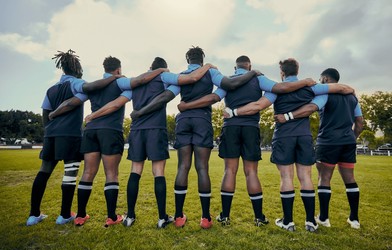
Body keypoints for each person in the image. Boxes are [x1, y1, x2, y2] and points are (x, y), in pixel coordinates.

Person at [130, 46, 265, 229]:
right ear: (202, 60)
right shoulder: (211, 72)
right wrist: (252, 72)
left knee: (183, 167)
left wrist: (140, 111)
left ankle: (178, 217)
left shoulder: (181, 76)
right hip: (202, 120)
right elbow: (226, 87)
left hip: (183, 122)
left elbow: (165, 98)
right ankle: (205, 218)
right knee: (202, 168)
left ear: (188, 60)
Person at [176, 55, 317, 227]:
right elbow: (280, 88)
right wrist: (305, 83)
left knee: (230, 171)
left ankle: (225, 217)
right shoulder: (258, 78)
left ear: (236, 68)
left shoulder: (227, 81)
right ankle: (259, 217)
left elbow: (215, 97)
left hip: (231, 128)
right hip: (251, 128)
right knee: (251, 172)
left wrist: (188, 105)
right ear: (250, 67)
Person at [83, 57, 216, 228]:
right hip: (156, 129)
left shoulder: (135, 82)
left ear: (150, 67)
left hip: (137, 130)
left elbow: (117, 103)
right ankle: (162, 218)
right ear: (164, 68)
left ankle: (129, 216)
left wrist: (93, 115)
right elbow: (187, 81)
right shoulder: (163, 76)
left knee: (135, 170)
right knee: (158, 171)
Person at [227, 58, 355, 232]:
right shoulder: (312, 87)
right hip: (304, 136)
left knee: (286, 177)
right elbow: (341, 88)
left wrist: (234, 112)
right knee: (306, 177)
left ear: (282, 73)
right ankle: (310, 222)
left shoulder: (275, 90)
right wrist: (351, 90)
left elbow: (257, 106)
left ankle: (288, 222)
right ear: (297, 70)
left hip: (284, 137)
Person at [49, 56, 170, 227]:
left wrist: (54, 113)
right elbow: (132, 88)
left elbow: (71, 102)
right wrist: (161, 70)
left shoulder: (93, 86)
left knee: (88, 173)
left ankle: (81, 215)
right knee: (111, 174)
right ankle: (112, 216)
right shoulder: (121, 83)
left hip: (90, 132)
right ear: (118, 70)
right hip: (110, 132)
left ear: (104, 69)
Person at [26, 49, 123, 226]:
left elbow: (45, 113)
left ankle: (33, 215)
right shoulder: (77, 83)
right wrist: (113, 77)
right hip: (70, 135)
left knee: (43, 172)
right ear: (76, 68)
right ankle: (64, 215)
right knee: (69, 174)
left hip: (51, 135)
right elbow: (87, 90)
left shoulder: (51, 89)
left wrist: (49, 129)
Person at [274, 68, 363, 229]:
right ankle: (354, 219)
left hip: (328, 142)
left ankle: (323, 217)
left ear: (326, 79)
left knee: (324, 178)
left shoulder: (325, 94)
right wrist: (352, 138)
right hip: (348, 142)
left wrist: (287, 116)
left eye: (321, 79)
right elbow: (360, 122)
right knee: (350, 179)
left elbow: (311, 108)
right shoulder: (352, 97)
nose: (319, 81)